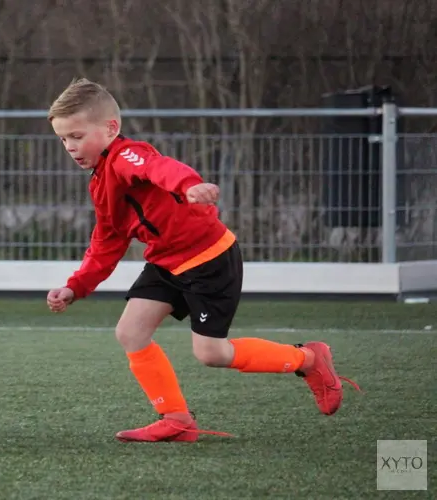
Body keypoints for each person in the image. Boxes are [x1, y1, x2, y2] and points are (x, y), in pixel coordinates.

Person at [45, 78, 359, 443]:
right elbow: (108, 240)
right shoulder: (99, 182)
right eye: (63, 139)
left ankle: (308, 359)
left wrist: (188, 186)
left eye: (77, 136)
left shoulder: (125, 155)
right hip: (166, 263)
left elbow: (159, 168)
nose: (70, 146)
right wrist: (75, 286)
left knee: (211, 353)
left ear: (111, 128)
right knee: (130, 332)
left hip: (208, 259)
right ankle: (177, 420)